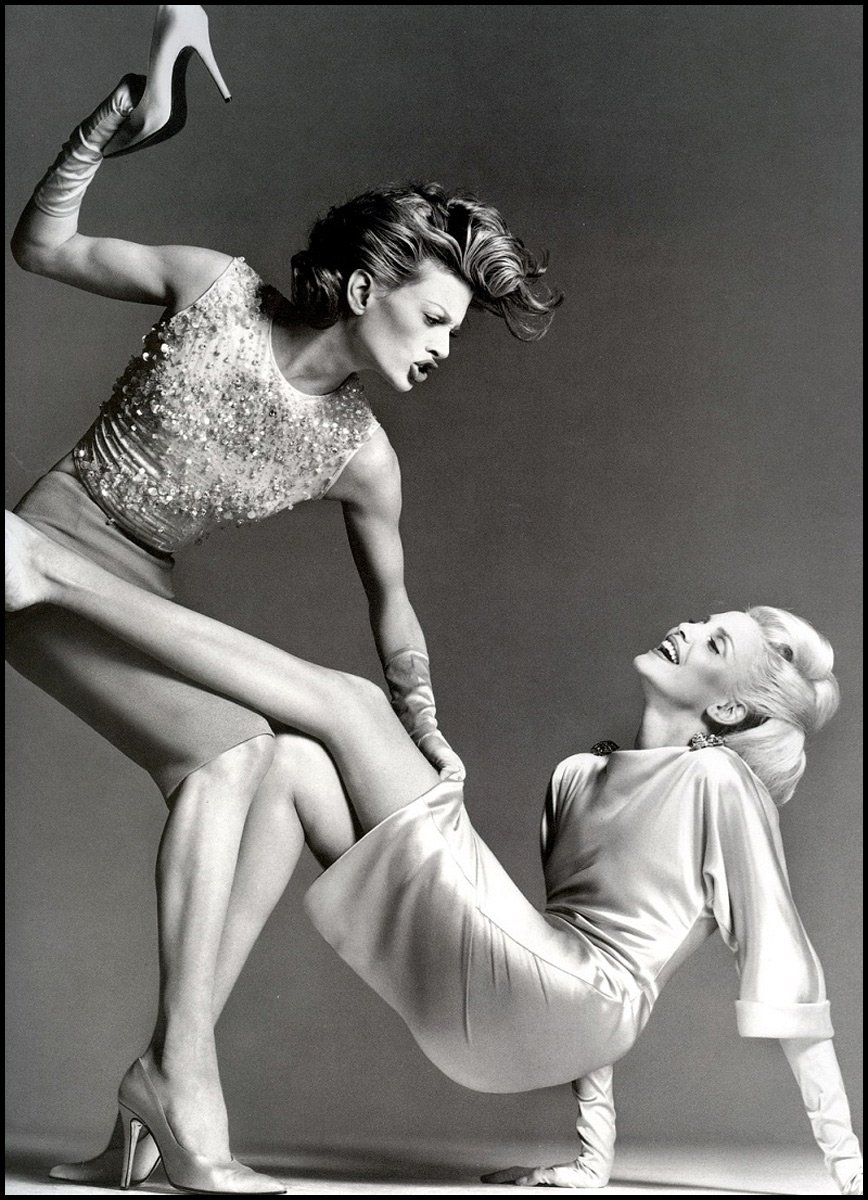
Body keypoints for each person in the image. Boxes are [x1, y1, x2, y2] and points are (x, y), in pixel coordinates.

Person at [5, 7, 560, 1192]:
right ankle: (181, 1084)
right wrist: (114, 120)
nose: (444, 349)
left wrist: (424, 729)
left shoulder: (363, 456)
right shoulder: (212, 291)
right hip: (42, 550)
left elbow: (392, 610)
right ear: (363, 286)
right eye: (435, 318)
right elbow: (41, 248)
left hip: (142, 591)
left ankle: (157, 1092)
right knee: (235, 755)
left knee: (291, 762)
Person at [5, 514, 863, 1196]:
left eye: (716, 644)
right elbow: (569, 949)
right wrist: (591, 1159)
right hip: (521, 1012)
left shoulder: (719, 783)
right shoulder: (577, 777)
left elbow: (772, 960)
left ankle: (53, 574)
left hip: (559, 1007)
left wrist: (849, 1165)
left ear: (728, 714)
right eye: (704, 622)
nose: (687, 628)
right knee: (293, 766)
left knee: (351, 705)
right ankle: (170, 1066)